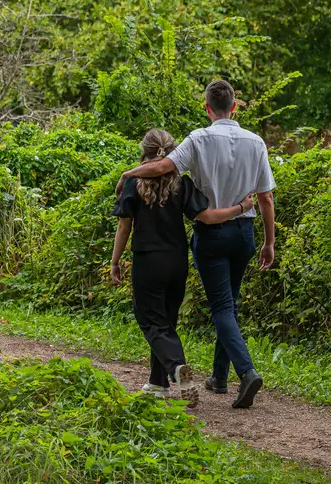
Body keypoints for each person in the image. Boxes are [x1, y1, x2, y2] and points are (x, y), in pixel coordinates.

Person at [115, 80, 276, 409]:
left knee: (192, 313)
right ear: (235, 106)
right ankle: (199, 378)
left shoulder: (197, 140)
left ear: (207, 107)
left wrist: (128, 175)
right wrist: (262, 233)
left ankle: (218, 371)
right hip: (229, 240)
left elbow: (155, 177)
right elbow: (257, 201)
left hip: (185, 245)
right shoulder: (253, 144)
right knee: (219, 307)